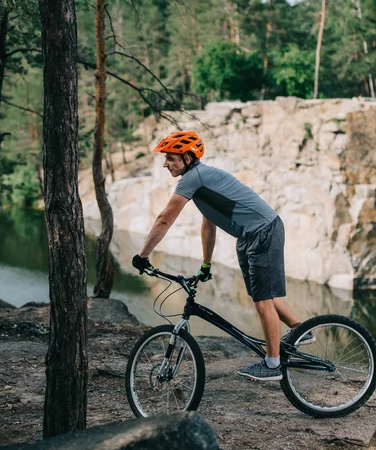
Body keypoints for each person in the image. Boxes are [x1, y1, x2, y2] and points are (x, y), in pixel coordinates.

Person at [132, 131, 313, 382]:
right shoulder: (202, 182)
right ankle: (302, 330)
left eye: (170, 158)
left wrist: (143, 255)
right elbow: (209, 225)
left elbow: (165, 218)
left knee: (263, 302)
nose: (165, 164)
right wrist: (206, 264)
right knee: (265, 296)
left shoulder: (193, 179)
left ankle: (273, 365)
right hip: (251, 236)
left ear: (186, 157)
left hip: (263, 231)